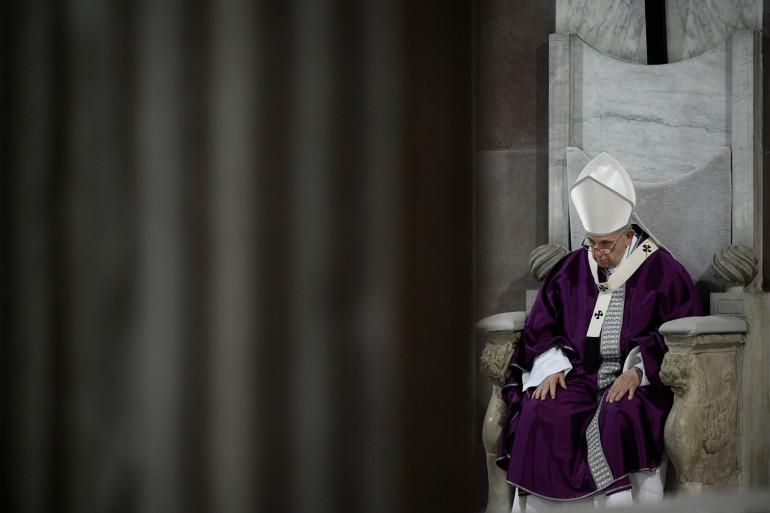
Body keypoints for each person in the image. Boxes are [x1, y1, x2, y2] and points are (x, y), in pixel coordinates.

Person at [496, 152, 703, 511]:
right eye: (591, 242)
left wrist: (638, 370)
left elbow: (678, 336)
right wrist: (552, 364)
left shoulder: (663, 272)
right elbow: (542, 324)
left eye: (605, 244)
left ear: (628, 235)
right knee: (540, 409)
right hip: (577, 377)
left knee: (620, 414)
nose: (597, 253)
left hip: (634, 382)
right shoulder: (573, 268)